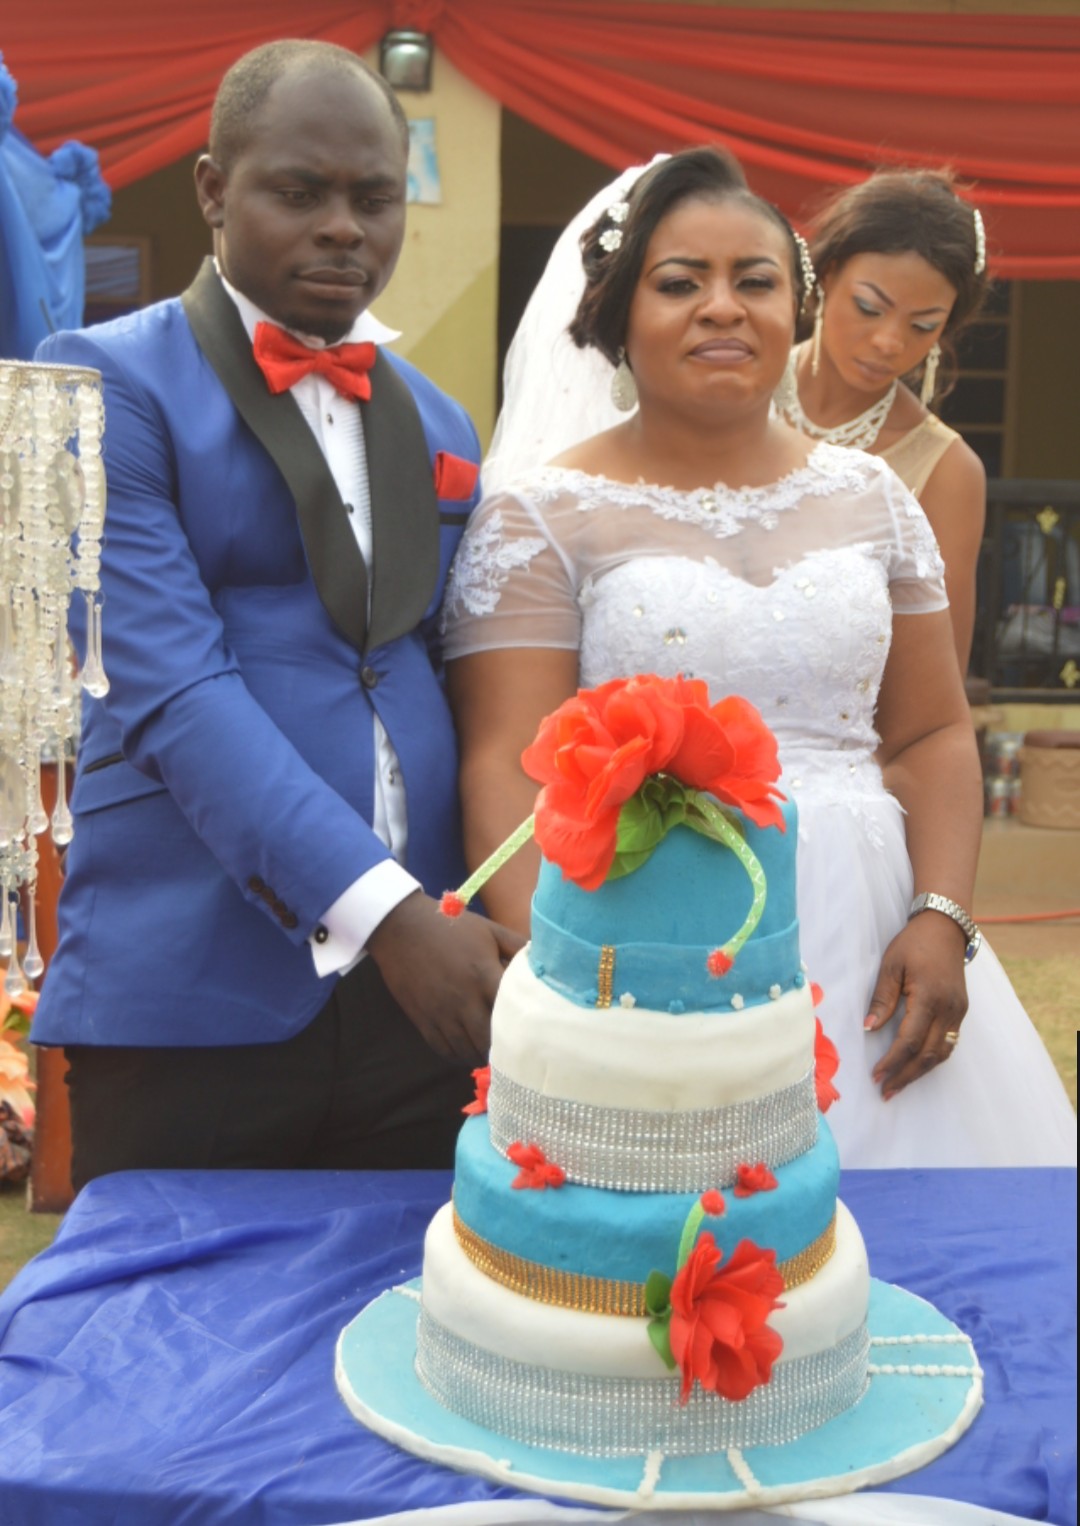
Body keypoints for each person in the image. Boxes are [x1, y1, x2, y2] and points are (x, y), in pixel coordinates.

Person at [442, 147, 1076, 1168]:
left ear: (795, 304)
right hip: (648, 926)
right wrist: (564, 972)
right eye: (679, 282)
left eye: (755, 280)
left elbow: (929, 731)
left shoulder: (878, 501)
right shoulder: (540, 516)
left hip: (870, 929)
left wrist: (941, 915)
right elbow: (506, 762)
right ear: (617, 311)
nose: (723, 308)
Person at [31, 40, 521, 1190]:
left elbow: (454, 679)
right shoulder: (98, 384)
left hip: (425, 1006)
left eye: (374, 199)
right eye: (300, 193)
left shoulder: (444, 421)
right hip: (192, 985)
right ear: (213, 189)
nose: (343, 228)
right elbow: (173, 691)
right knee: (174, 1301)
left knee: (408, 1298)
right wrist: (391, 915)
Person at [773, 170, 989, 674]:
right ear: (828, 275)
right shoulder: (729, 393)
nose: (890, 341)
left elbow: (938, 685)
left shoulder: (945, 470)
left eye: (923, 325)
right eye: (869, 308)